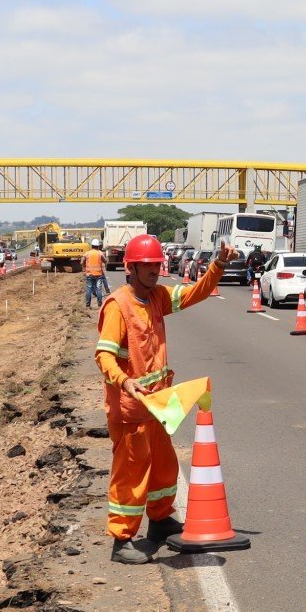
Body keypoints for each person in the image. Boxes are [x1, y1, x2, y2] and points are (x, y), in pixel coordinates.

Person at [94, 233, 234, 564]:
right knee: (131, 474)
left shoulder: (157, 297)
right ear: (131, 268)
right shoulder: (118, 306)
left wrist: (219, 265)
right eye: (147, 266)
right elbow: (104, 355)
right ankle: (122, 538)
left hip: (158, 406)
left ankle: (159, 521)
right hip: (131, 409)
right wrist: (124, 382)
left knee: (164, 468)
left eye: (156, 265)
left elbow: (194, 293)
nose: (154, 271)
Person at [82, 240, 109, 308]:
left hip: (89, 274)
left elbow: (82, 261)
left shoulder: (87, 253)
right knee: (98, 289)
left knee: (89, 289)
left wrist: (84, 266)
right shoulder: (100, 253)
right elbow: (105, 261)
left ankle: (88, 305)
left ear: (91, 246)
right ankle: (99, 304)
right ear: (98, 246)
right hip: (98, 274)